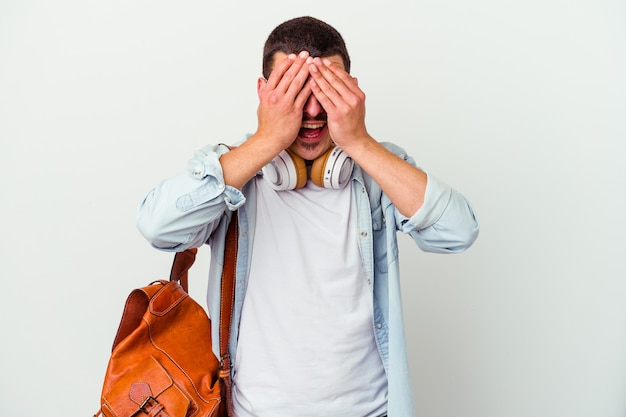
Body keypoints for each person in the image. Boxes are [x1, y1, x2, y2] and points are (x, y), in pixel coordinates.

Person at [137, 16, 479, 417]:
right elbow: (157, 227)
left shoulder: (377, 171)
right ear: (264, 92)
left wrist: (360, 142)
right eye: (296, 90)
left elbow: (459, 231)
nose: (313, 110)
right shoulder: (231, 174)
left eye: (326, 91)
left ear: (351, 91)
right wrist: (267, 140)